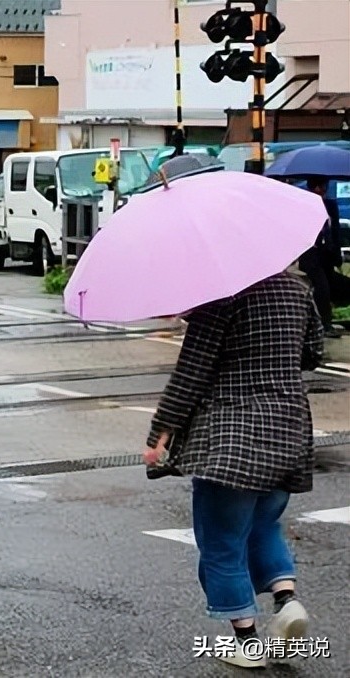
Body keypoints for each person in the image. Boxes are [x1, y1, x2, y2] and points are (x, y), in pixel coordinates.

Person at [143, 272, 323, 669]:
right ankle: (286, 599)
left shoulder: (220, 295)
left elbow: (191, 373)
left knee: (221, 539)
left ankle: (247, 642)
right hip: (289, 426)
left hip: (232, 435)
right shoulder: (298, 289)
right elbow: (313, 353)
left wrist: (160, 432)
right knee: (264, 525)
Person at [299, 177, 345, 337]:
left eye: (322, 186)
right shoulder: (304, 204)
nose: (319, 190)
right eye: (315, 186)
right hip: (311, 254)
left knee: (335, 284)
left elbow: (335, 230)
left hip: (328, 254)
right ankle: (324, 324)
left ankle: (326, 319)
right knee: (321, 287)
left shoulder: (330, 205)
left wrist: (337, 255)